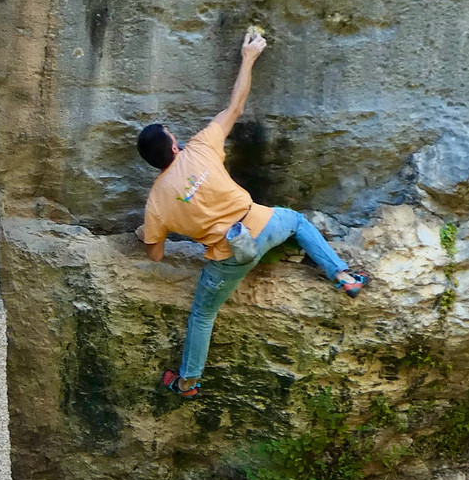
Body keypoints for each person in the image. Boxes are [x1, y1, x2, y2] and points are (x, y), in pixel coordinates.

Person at [135, 31, 367, 399]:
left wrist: (148, 233)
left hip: (230, 257)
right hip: (264, 224)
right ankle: (342, 275)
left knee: (203, 316)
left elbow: (156, 255)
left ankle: (188, 383)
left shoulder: (156, 202)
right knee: (298, 221)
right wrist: (248, 58)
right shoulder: (200, 147)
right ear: (175, 146)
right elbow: (236, 108)